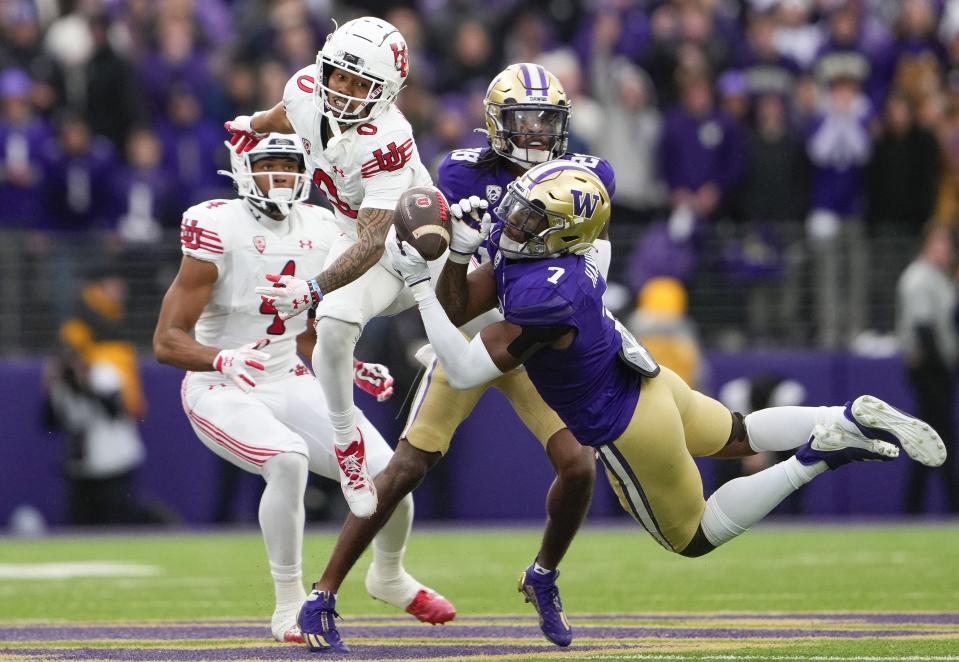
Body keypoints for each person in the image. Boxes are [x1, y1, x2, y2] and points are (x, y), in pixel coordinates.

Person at [383, 159, 946, 642]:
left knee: (694, 537)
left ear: (561, 234)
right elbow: (594, 177)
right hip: (652, 382)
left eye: (532, 217)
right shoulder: (564, 252)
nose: (515, 220)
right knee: (737, 433)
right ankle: (838, 415)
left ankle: (820, 454)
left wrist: (417, 287)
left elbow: (459, 365)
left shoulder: (543, 296)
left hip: (628, 426)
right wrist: (461, 249)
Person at [296, 64, 613, 653]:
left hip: (534, 335)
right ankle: (323, 593)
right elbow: (457, 298)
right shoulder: (462, 171)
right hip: (471, 333)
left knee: (578, 464)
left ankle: (543, 576)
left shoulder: (585, 174)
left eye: (548, 120)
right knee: (407, 467)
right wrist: (460, 248)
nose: (538, 133)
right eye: (525, 119)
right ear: (496, 122)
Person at [152, 134, 454, 645]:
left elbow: (309, 326)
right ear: (243, 170)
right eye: (268, 166)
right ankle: (290, 603)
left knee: (390, 474)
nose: (281, 177)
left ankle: (389, 573)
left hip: (286, 375)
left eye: (290, 166)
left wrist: (351, 365)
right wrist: (220, 356)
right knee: (287, 459)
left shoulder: (319, 225)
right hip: (219, 385)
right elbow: (165, 341)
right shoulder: (216, 227)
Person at [228, 16, 432, 523]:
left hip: (406, 244)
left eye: (358, 82)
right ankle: (347, 445)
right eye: (337, 75)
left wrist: (313, 289)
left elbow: (373, 243)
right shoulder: (304, 88)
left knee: (467, 310)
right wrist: (251, 125)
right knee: (335, 332)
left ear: (385, 92)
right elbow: (288, 114)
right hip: (350, 229)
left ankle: (450, 348)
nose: (341, 89)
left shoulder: (389, 138)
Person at [896, 223, 959, 513]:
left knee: (930, 436)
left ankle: (912, 507)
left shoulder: (939, 278)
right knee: (940, 435)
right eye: (941, 244)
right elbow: (924, 330)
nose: (947, 250)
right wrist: (943, 368)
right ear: (927, 245)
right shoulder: (920, 278)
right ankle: (948, 502)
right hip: (929, 368)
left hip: (937, 365)